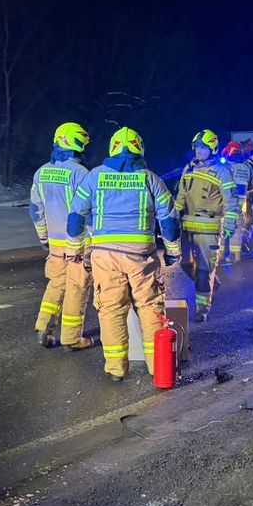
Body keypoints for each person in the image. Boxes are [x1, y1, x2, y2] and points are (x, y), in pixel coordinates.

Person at [67, 127, 181, 381]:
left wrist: (76, 249)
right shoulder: (150, 178)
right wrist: (173, 253)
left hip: (104, 256)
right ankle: (157, 367)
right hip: (141, 256)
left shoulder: (95, 176)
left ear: (112, 148)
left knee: (110, 309)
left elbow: (75, 217)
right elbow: (170, 220)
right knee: (150, 307)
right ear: (140, 149)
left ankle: (116, 368)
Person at [29, 122, 94, 350]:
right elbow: (88, 212)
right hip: (78, 244)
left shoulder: (41, 172)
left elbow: (36, 210)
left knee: (56, 283)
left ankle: (43, 326)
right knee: (77, 288)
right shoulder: (81, 173)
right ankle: (72, 338)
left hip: (55, 243)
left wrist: (43, 238)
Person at [175, 129, 238, 320]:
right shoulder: (189, 168)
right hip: (187, 227)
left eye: (203, 147)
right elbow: (181, 196)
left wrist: (229, 225)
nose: (199, 151)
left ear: (212, 148)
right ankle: (212, 282)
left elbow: (231, 201)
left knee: (203, 270)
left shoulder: (222, 171)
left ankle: (202, 310)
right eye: (196, 147)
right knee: (185, 266)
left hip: (209, 229)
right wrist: (173, 216)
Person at [220, 140, 253, 263]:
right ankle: (235, 256)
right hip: (241, 205)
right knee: (237, 229)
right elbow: (252, 187)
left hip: (227, 203)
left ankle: (223, 255)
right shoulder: (247, 167)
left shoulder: (226, 167)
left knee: (224, 228)